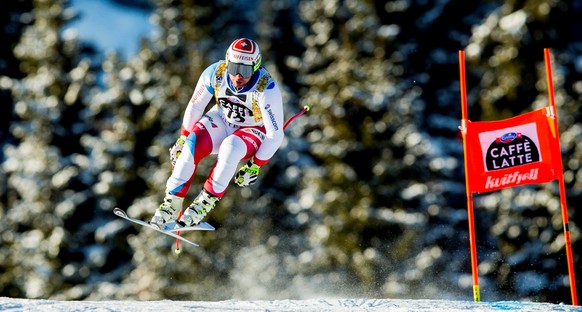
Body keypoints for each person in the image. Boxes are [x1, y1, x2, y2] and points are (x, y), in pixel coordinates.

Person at [149, 38, 284, 229]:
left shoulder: (265, 88)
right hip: (222, 119)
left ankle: (203, 204)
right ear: (227, 62)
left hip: (252, 129)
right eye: (234, 67)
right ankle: (170, 205)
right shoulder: (216, 73)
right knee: (191, 144)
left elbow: (275, 134)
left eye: (245, 70)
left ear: (256, 67)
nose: (238, 76)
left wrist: (255, 166)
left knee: (231, 148)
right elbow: (196, 105)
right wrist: (182, 138)